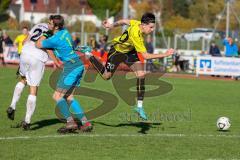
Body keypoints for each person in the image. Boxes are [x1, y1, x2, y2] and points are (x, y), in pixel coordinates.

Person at [82, 12, 174, 120]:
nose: (152, 30)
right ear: (144, 25)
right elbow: (145, 56)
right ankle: (89, 54)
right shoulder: (136, 35)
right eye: (151, 27)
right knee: (106, 76)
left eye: (153, 27)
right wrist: (165, 54)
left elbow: (124, 21)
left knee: (141, 74)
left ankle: (139, 107)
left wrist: (111, 25)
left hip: (129, 52)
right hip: (117, 52)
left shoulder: (138, 23)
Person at [36, 15, 92, 132]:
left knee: (57, 96)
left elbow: (38, 44)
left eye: (50, 24)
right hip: (78, 65)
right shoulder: (65, 32)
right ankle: (85, 123)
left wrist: (46, 34)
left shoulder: (54, 39)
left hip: (70, 66)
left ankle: (70, 122)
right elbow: (71, 45)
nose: (48, 25)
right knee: (69, 96)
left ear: (56, 26)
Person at [6, 19, 59, 130]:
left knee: (23, 80)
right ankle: (27, 121)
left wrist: (23, 56)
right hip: (37, 57)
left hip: (25, 52)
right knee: (33, 89)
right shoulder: (53, 32)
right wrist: (57, 62)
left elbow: (25, 40)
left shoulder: (38, 24)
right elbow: (48, 49)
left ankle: (12, 105)